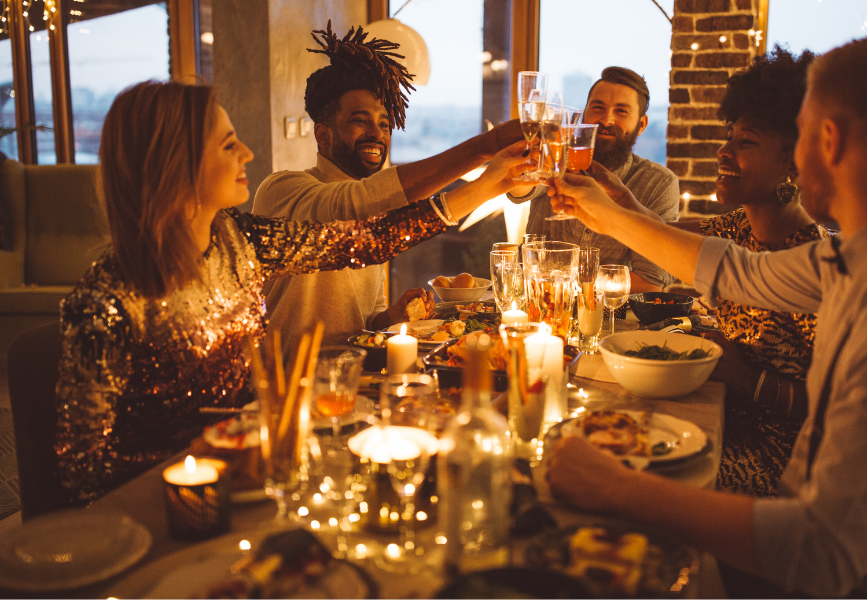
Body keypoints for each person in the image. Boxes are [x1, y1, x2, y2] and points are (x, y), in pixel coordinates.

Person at [546, 37, 867, 597]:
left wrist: (615, 488)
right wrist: (610, 212)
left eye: (800, 133)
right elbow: (737, 271)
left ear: (827, 140)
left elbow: (819, 554)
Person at [55, 80, 527, 505]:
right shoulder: (106, 300)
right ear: (174, 164)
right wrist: (208, 456)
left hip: (255, 469)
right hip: (168, 506)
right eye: (228, 144)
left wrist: (490, 185)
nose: (246, 153)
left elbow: (369, 240)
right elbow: (83, 472)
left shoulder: (237, 239)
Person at [253, 24, 525, 342]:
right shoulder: (282, 189)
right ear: (322, 135)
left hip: (353, 369)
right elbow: (352, 203)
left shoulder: (379, 212)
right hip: (287, 373)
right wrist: (487, 147)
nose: (377, 134)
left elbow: (368, 321)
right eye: (360, 120)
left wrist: (392, 317)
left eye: (384, 124)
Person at [685, 47, 824, 497]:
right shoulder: (739, 227)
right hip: (721, 422)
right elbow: (662, 232)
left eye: (746, 143)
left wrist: (745, 378)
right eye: (729, 137)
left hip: (776, 460)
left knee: (649, 471)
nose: (724, 152)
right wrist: (610, 199)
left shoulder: (812, 262)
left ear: (792, 162)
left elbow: (828, 407)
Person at [507, 66, 680, 292]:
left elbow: (650, 282)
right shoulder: (558, 158)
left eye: (621, 111)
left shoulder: (659, 183)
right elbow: (519, 190)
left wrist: (566, 288)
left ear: (641, 125)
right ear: (584, 115)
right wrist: (529, 160)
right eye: (598, 108)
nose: (606, 120)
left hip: (611, 313)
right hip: (535, 307)